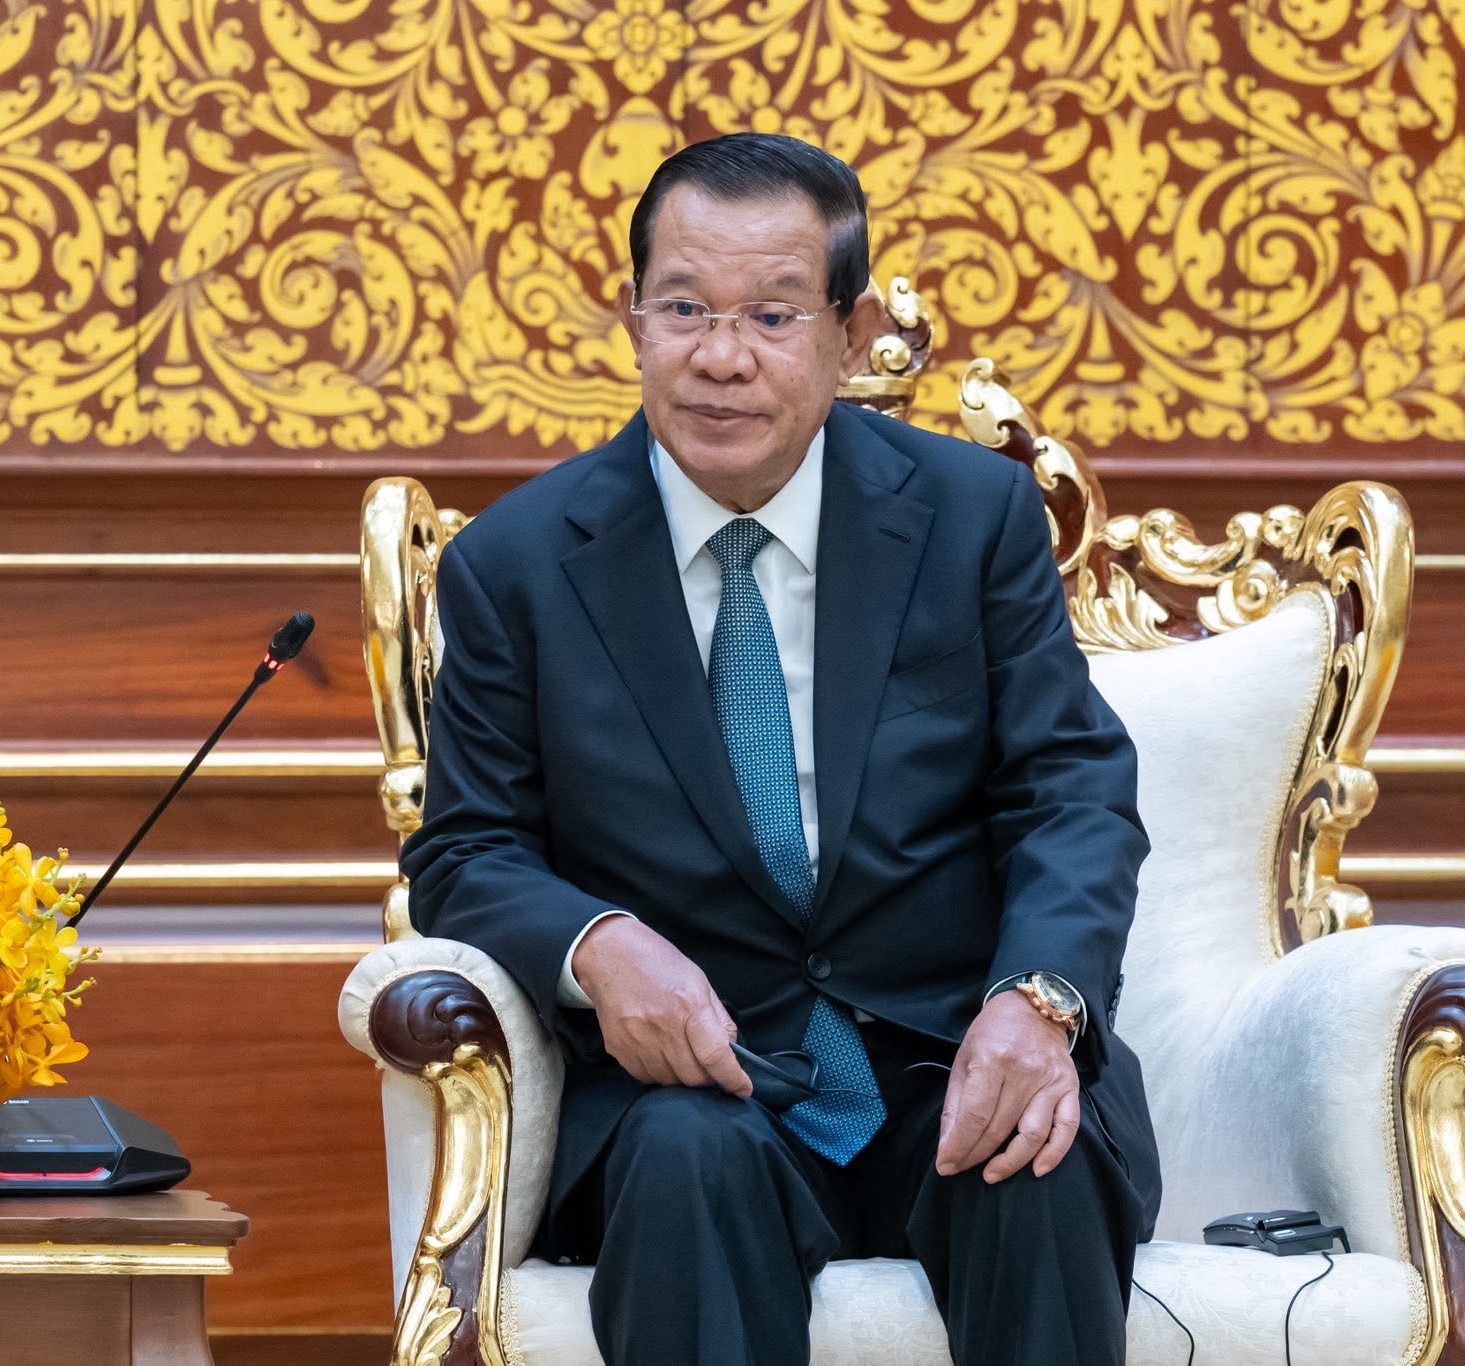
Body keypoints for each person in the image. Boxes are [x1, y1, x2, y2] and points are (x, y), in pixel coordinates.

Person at [402, 131, 1158, 1366]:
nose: (719, 357)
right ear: (632, 320)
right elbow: (465, 850)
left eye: (769, 315)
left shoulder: (969, 517)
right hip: (695, 1083)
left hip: (947, 1047)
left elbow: (1068, 786)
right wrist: (598, 947)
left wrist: (1039, 999)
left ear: (848, 337)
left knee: (1032, 1147)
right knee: (683, 1159)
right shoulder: (516, 566)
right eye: (682, 309)